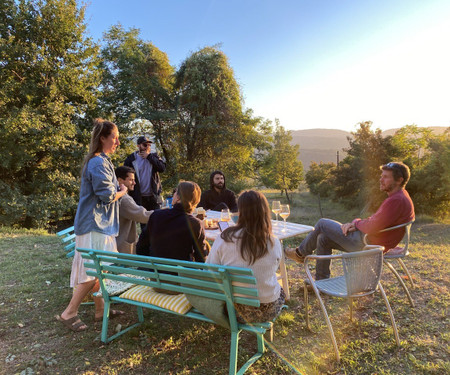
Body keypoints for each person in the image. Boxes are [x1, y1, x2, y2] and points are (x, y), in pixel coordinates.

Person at [285, 161, 415, 280]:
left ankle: (300, 254)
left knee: (322, 223)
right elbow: (376, 221)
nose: (381, 179)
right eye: (381, 176)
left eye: (386, 177)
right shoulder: (401, 196)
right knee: (323, 238)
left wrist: (356, 223)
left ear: (399, 180)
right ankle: (321, 281)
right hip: (370, 240)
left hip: (368, 245)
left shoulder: (396, 200)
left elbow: (372, 226)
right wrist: (356, 224)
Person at [57, 119, 128, 332]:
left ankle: (100, 310)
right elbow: (107, 196)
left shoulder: (103, 161)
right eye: (114, 137)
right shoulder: (97, 162)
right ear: (102, 138)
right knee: (91, 273)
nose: (117, 141)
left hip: (100, 224)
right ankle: (69, 313)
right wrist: (123, 191)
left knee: (100, 270)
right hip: (93, 224)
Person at [206, 190, 285, 323]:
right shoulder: (274, 241)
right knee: (279, 287)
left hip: (235, 311)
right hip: (269, 309)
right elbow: (273, 269)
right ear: (265, 211)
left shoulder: (225, 237)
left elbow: (210, 270)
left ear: (240, 210)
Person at [136, 181, 209, 263]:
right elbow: (201, 258)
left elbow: (141, 247)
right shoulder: (195, 223)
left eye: (175, 192)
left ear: (178, 198)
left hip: (155, 271)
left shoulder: (156, 215)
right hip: (180, 273)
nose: (173, 195)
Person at [115, 166, 153, 254]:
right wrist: (164, 214)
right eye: (131, 180)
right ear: (120, 180)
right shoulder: (124, 199)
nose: (134, 183)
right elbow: (142, 215)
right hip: (122, 248)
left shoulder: (119, 196)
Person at [124, 136, 166, 212]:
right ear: (138, 146)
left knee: (156, 220)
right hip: (139, 197)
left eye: (149, 145)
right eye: (145, 145)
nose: (147, 147)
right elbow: (124, 176)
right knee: (143, 222)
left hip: (154, 197)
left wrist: (149, 157)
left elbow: (162, 168)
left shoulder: (153, 156)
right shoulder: (131, 159)